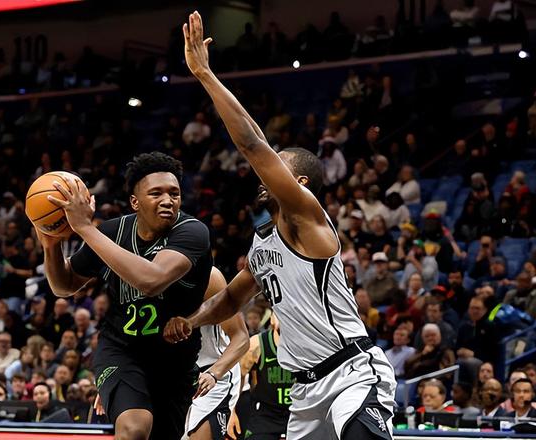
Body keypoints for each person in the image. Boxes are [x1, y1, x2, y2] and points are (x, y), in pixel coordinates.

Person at [165, 12, 396, 439]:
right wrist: (192, 321)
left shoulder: (307, 219)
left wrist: (205, 75)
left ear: (299, 184)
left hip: (350, 372)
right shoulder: (263, 243)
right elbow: (230, 299)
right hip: (304, 392)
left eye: (276, 169)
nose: (261, 176)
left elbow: (253, 145)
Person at [38, 152, 212, 440]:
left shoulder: (192, 232)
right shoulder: (113, 231)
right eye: (156, 193)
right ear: (135, 202)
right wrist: (51, 244)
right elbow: (64, 285)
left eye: (174, 193)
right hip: (121, 349)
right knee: (133, 428)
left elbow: (151, 281)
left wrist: (85, 228)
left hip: (174, 362)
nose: (167, 200)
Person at [185, 267, 249, 439]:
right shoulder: (148, 274)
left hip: (211, 371)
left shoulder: (210, 277)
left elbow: (241, 338)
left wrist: (214, 373)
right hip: (171, 374)